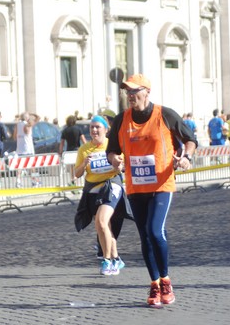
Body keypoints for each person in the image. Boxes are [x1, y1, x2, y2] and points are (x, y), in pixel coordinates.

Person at [107, 73, 197, 306]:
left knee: (155, 231)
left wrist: (185, 158)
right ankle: (154, 284)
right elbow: (112, 150)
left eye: (135, 91)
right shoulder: (121, 120)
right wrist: (114, 160)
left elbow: (190, 139)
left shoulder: (165, 114)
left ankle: (166, 280)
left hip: (161, 184)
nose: (130, 95)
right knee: (144, 235)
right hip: (136, 187)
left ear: (147, 92)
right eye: (127, 92)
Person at [74, 115, 127, 276]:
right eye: (92, 127)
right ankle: (116, 258)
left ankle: (107, 260)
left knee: (102, 221)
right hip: (93, 190)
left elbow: (123, 166)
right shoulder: (84, 149)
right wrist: (84, 164)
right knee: (104, 226)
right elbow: (76, 174)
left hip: (112, 186)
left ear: (106, 129)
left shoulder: (113, 146)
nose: (94, 130)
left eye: (98, 127)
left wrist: (119, 166)